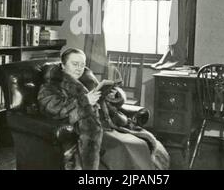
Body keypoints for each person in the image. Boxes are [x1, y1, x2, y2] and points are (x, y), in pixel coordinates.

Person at [38, 48, 170, 170]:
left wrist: (112, 96)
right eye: (75, 64)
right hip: (89, 132)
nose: (79, 69)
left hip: (109, 124)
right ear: (63, 65)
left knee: (142, 144)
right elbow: (53, 109)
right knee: (122, 148)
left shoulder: (87, 80)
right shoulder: (50, 85)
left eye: (82, 65)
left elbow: (106, 104)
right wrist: (85, 101)